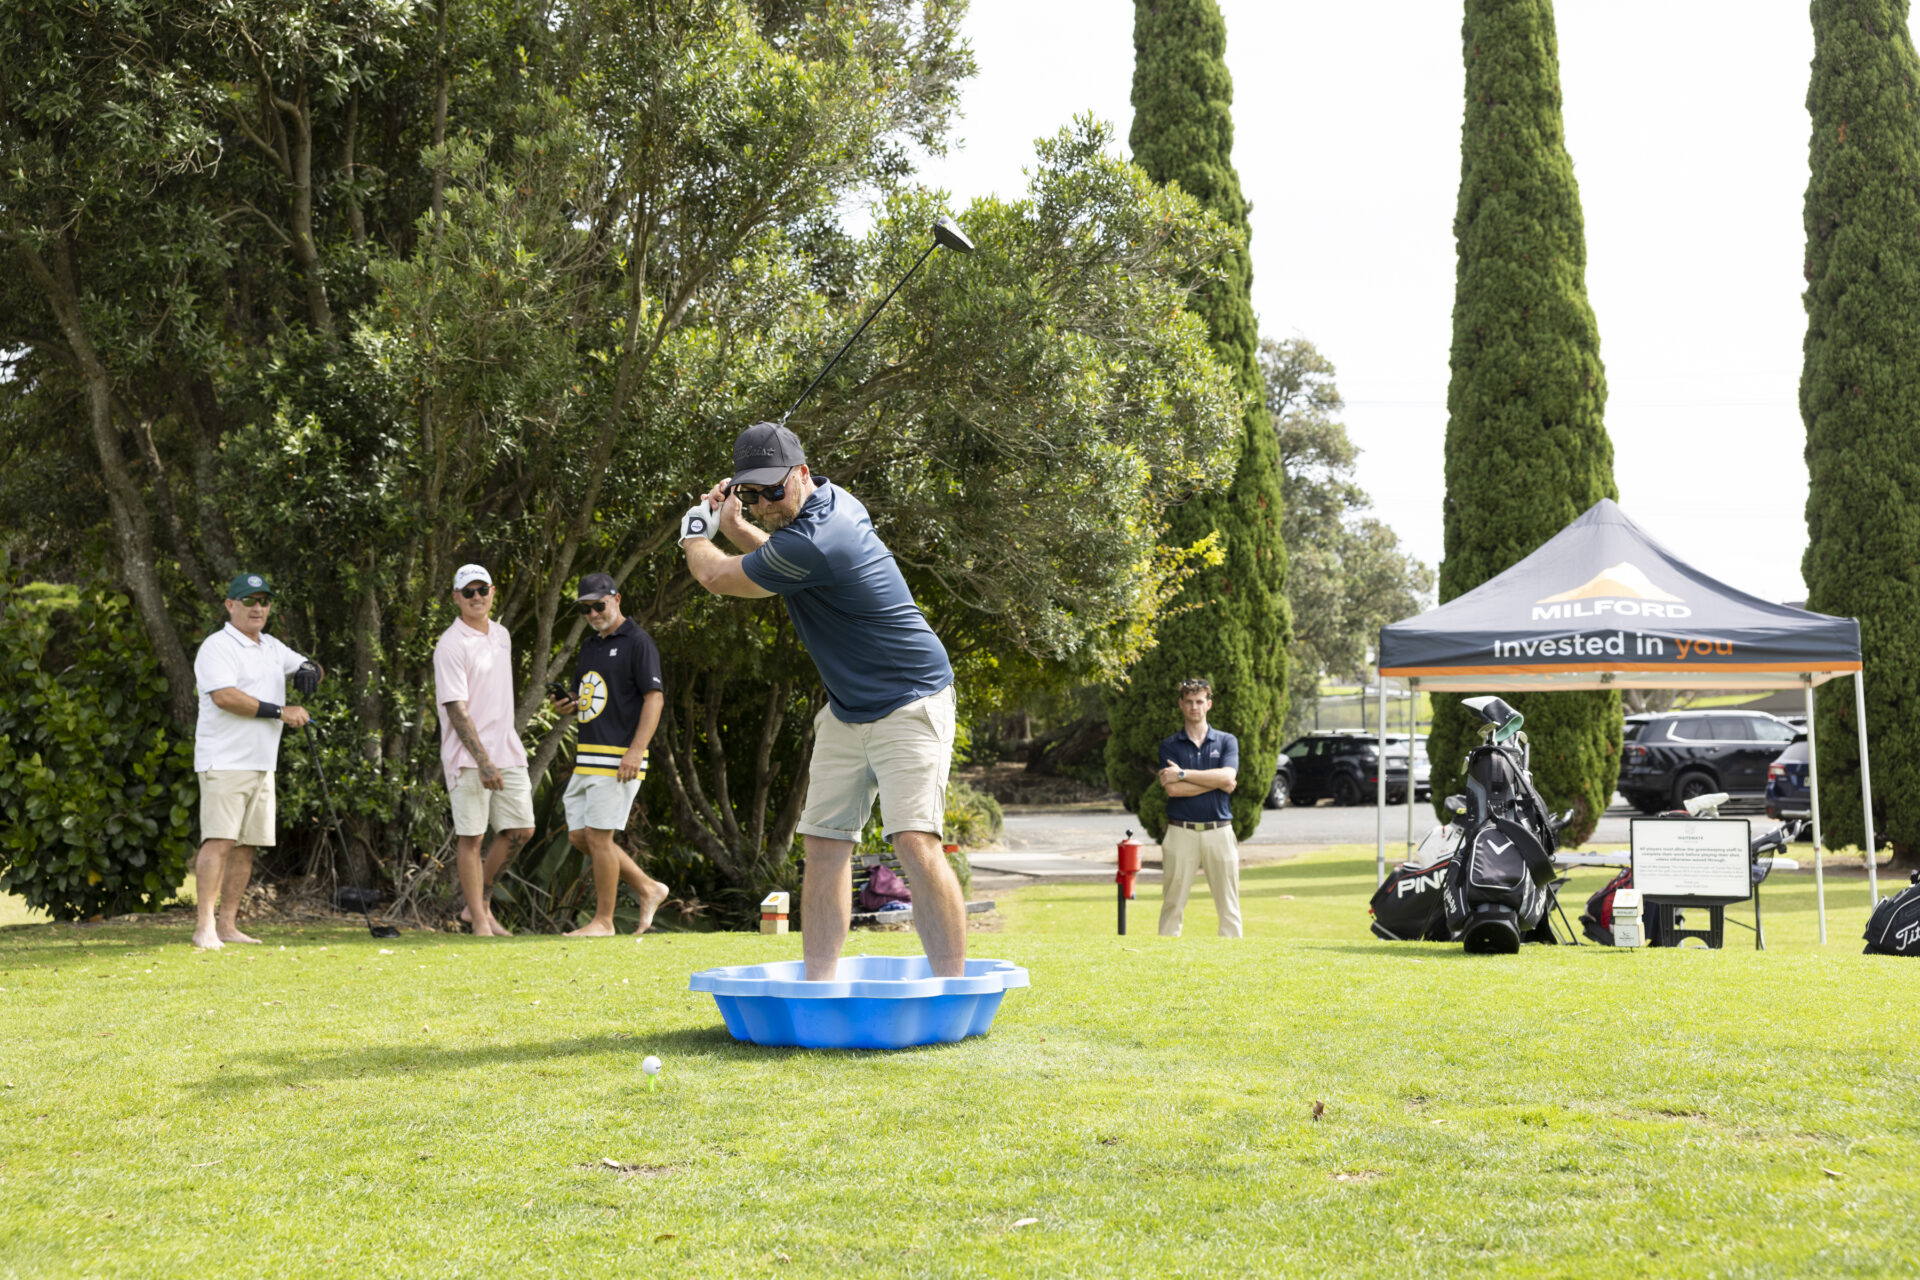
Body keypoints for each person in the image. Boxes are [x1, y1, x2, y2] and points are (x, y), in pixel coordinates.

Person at [679, 422, 965, 979]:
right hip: (846, 709)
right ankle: (818, 989)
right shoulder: (828, 504)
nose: (764, 503)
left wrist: (696, 530)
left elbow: (717, 576)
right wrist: (734, 526)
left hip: (911, 699)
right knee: (825, 844)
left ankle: (954, 994)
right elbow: (779, 563)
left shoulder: (822, 534)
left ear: (802, 474)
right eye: (751, 493)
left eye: (773, 490)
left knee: (914, 840)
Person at [190, 572, 322, 950]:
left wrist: (310, 670)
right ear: (230, 605)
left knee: (246, 846)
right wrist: (281, 711)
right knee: (219, 841)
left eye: (264, 601)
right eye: (249, 601)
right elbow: (225, 697)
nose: (258, 608)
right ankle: (204, 927)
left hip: (263, 763)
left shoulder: (272, 646)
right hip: (224, 761)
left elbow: (308, 665)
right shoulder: (217, 646)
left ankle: (228, 925)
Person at [547, 572, 670, 936]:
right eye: (585, 609)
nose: (593, 614)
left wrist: (637, 750)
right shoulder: (590, 647)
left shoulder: (638, 642)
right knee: (579, 836)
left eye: (598, 606)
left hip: (618, 757)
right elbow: (583, 696)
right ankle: (648, 887)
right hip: (588, 756)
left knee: (599, 837)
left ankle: (604, 921)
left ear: (616, 599)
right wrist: (567, 704)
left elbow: (655, 698)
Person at [432, 564, 535, 937]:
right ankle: (478, 921)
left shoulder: (502, 635)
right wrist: (483, 761)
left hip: (508, 750)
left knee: (521, 829)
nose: (476, 597)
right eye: (468, 592)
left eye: (482, 590)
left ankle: (481, 905)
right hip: (469, 758)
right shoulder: (451, 644)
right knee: (472, 837)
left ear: (492, 592)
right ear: (456, 597)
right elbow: (456, 708)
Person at [1155, 677, 1242, 938]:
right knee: (1172, 904)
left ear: (1209, 704)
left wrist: (1183, 774)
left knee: (1229, 906)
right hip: (1181, 832)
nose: (1195, 707)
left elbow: (1228, 777)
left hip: (1220, 831)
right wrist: (1217, 782)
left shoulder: (1226, 741)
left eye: (1200, 701)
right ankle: (1166, 956)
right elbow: (1173, 790)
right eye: (1189, 701)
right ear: (1181, 704)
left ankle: (1232, 956)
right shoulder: (1169, 746)